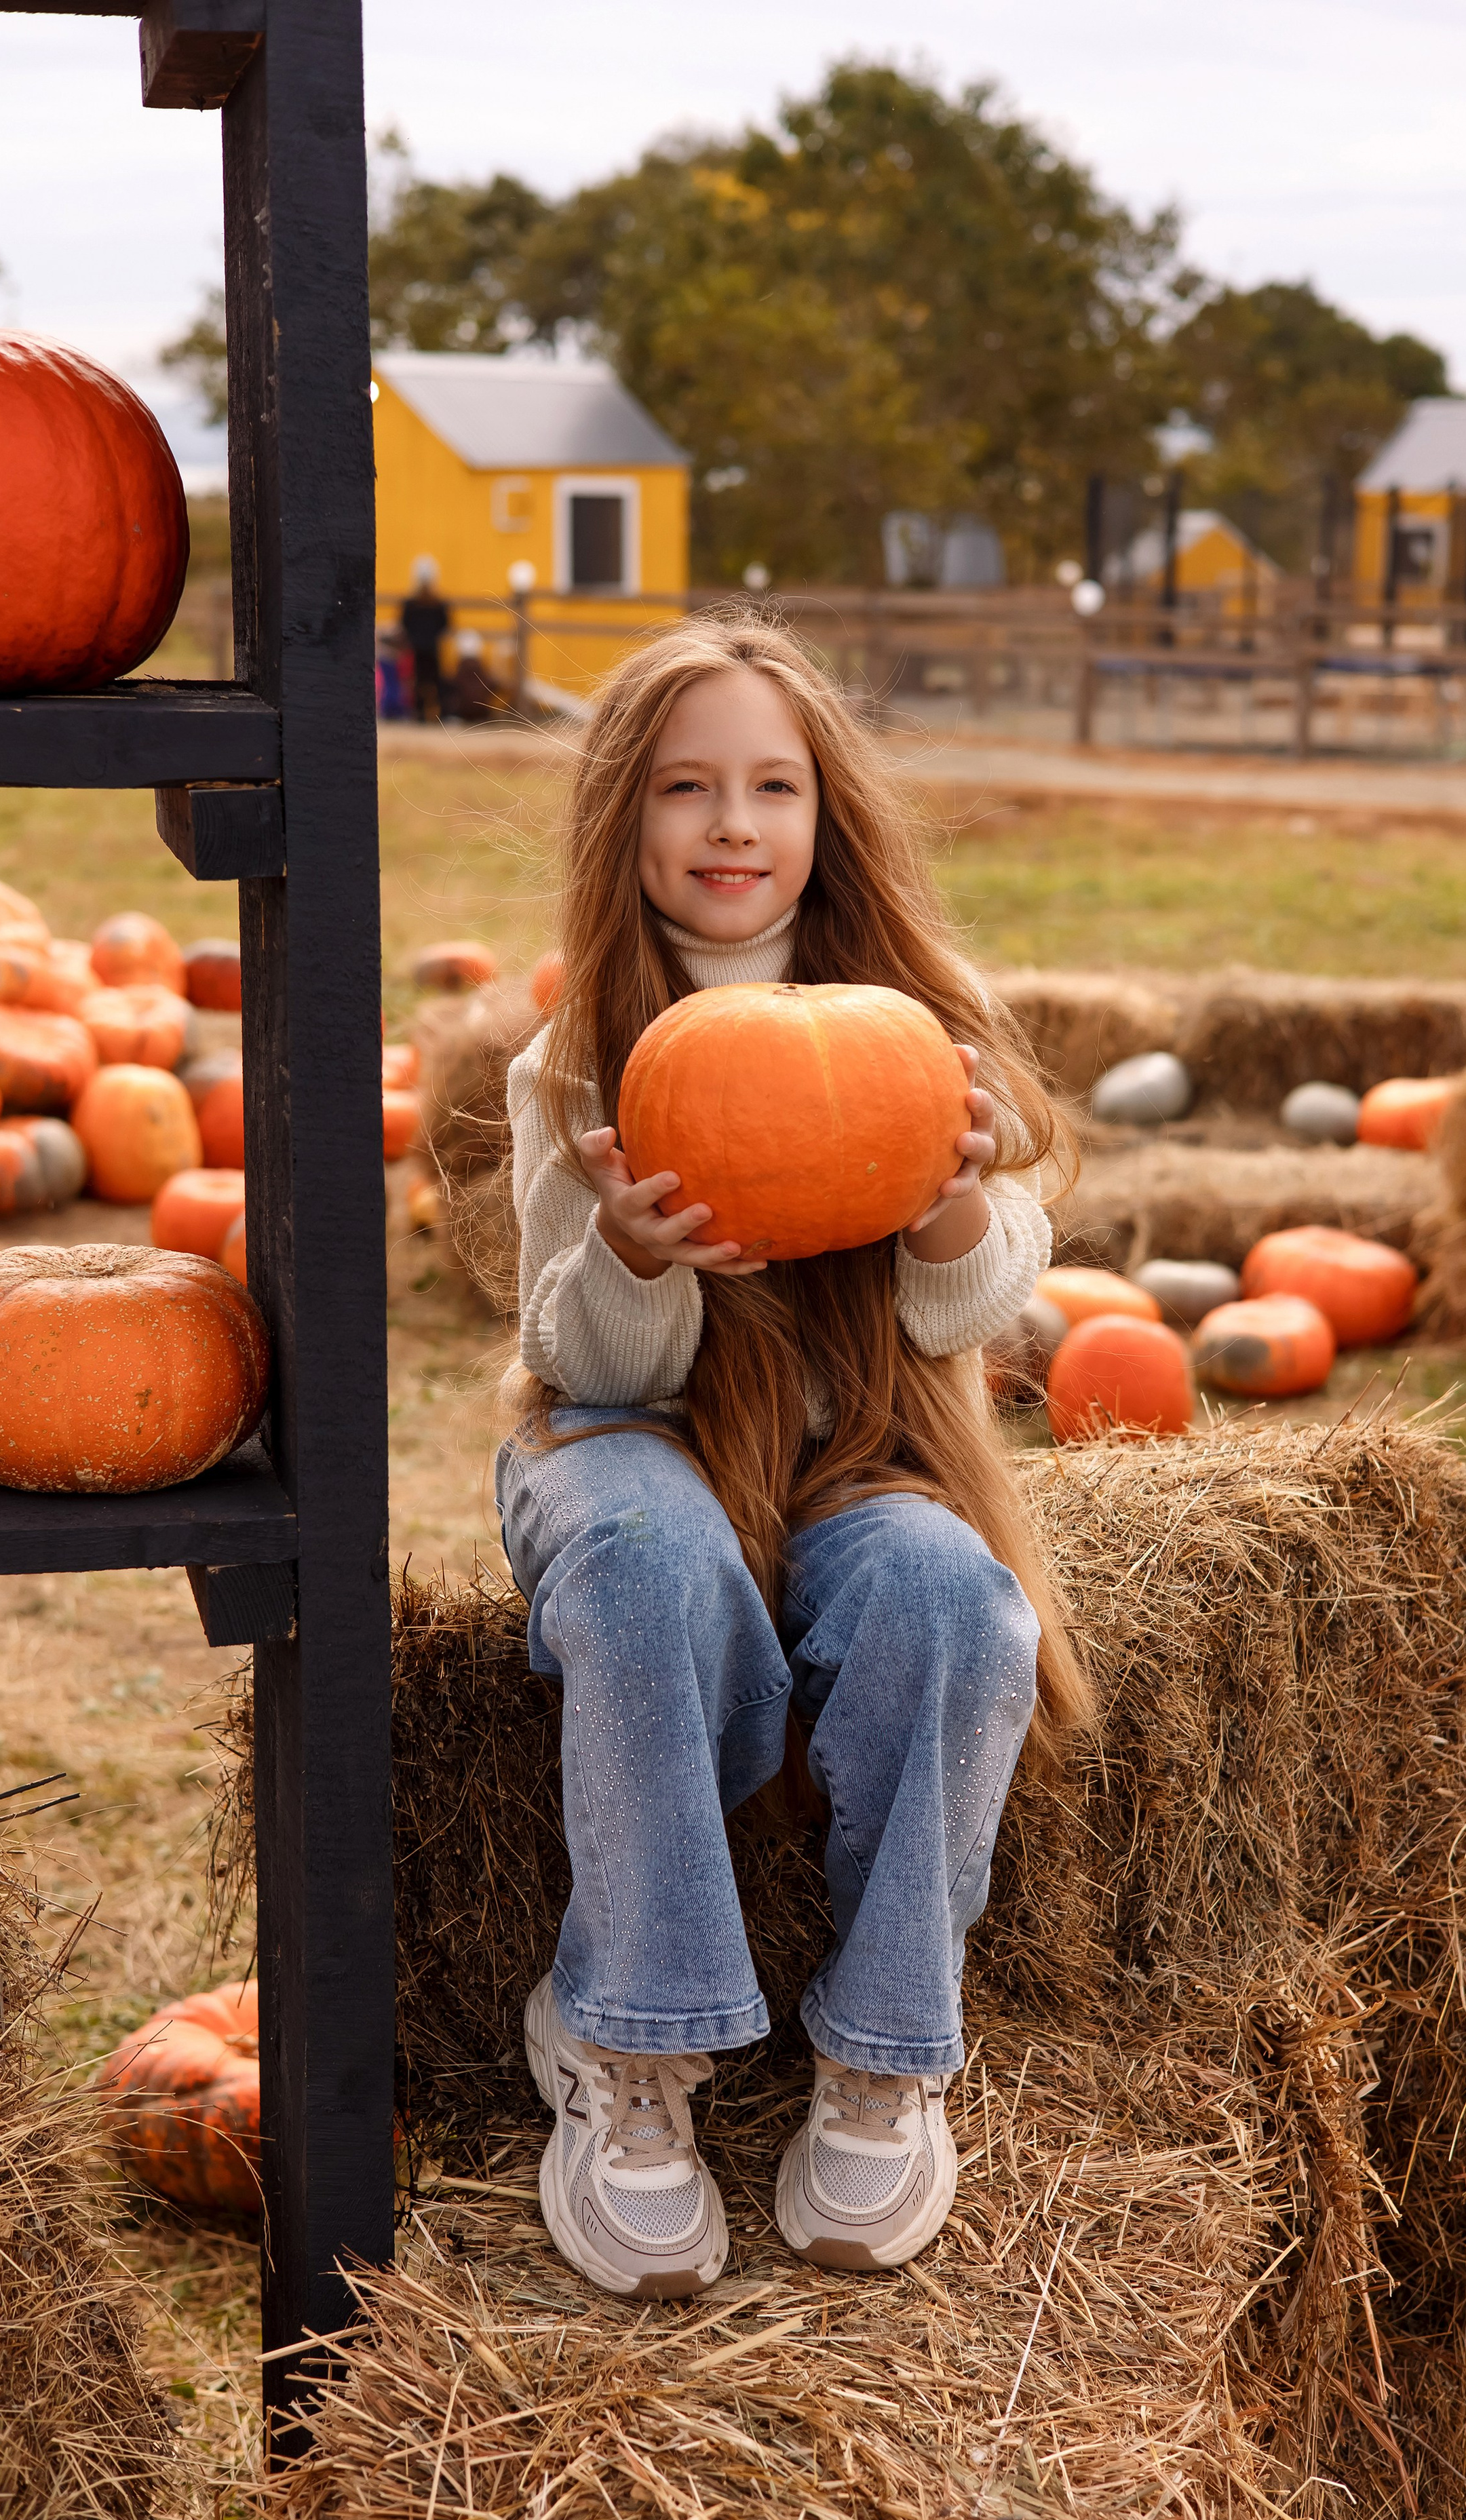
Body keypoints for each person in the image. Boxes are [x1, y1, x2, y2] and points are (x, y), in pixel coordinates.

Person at [490, 613, 1085, 2302]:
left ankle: (885, 2050)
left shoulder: (917, 1022)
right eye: (685, 787)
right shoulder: (579, 1060)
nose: (731, 823)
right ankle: (630, 2046)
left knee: (957, 1605)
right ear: (626, 821)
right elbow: (576, 1360)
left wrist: (958, 1201)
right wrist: (634, 1256)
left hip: (848, 1459)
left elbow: (979, 1291)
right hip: (618, 1444)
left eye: (772, 784)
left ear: (827, 815)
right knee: (648, 1556)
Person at [400, 556, 451, 722]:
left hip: (417, 648)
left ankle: (421, 714)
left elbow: (404, 623)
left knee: (420, 681)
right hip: (432, 647)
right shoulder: (438, 604)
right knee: (434, 681)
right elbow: (445, 624)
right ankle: (440, 713)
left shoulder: (411, 604)